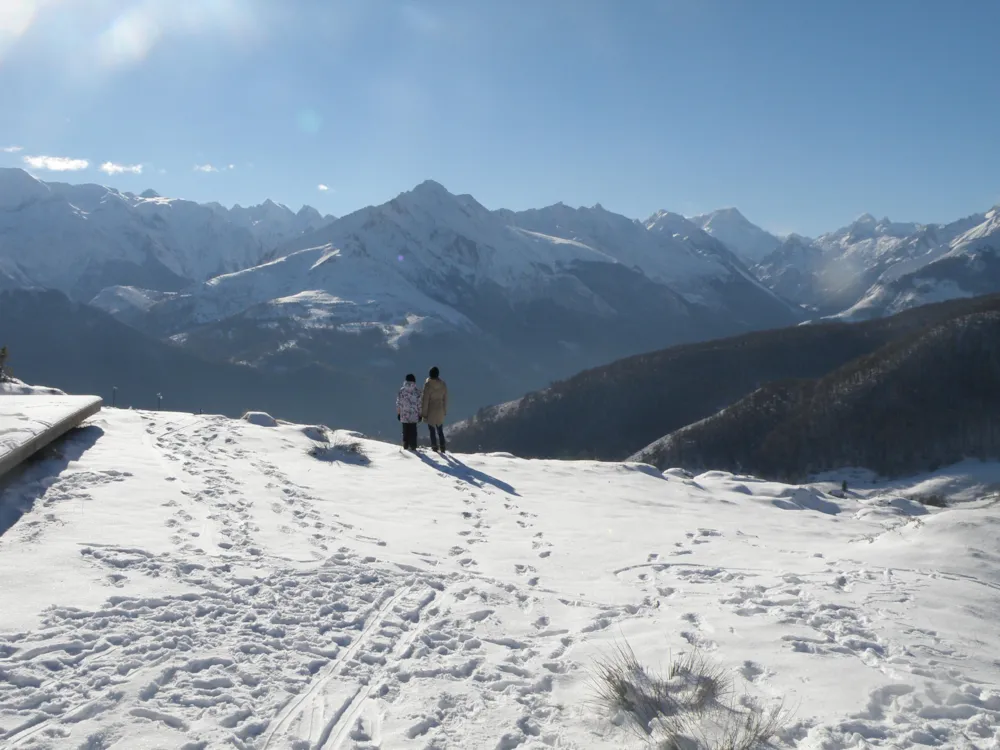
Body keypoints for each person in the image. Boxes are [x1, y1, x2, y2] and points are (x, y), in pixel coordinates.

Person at [421, 366, 448, 452]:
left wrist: (424, 414)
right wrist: (444, 410)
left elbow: (425, 400)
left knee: (432, 430)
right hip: (440, 409)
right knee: (440, 430)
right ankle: (443, 446)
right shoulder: (443, 384)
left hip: (431, 410)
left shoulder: (428, 385)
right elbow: (446, 399)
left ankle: (434, 447)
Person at [396, 373, 421, 450]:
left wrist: (399, 413)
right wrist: (420, 414)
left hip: (404, 415)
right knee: (413, 431)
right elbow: (420, 404)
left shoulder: (401, 390)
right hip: (414, 415)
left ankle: (405, 445)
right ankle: (413, 446)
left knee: (405, 431)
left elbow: (398, 403)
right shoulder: (417, 391)